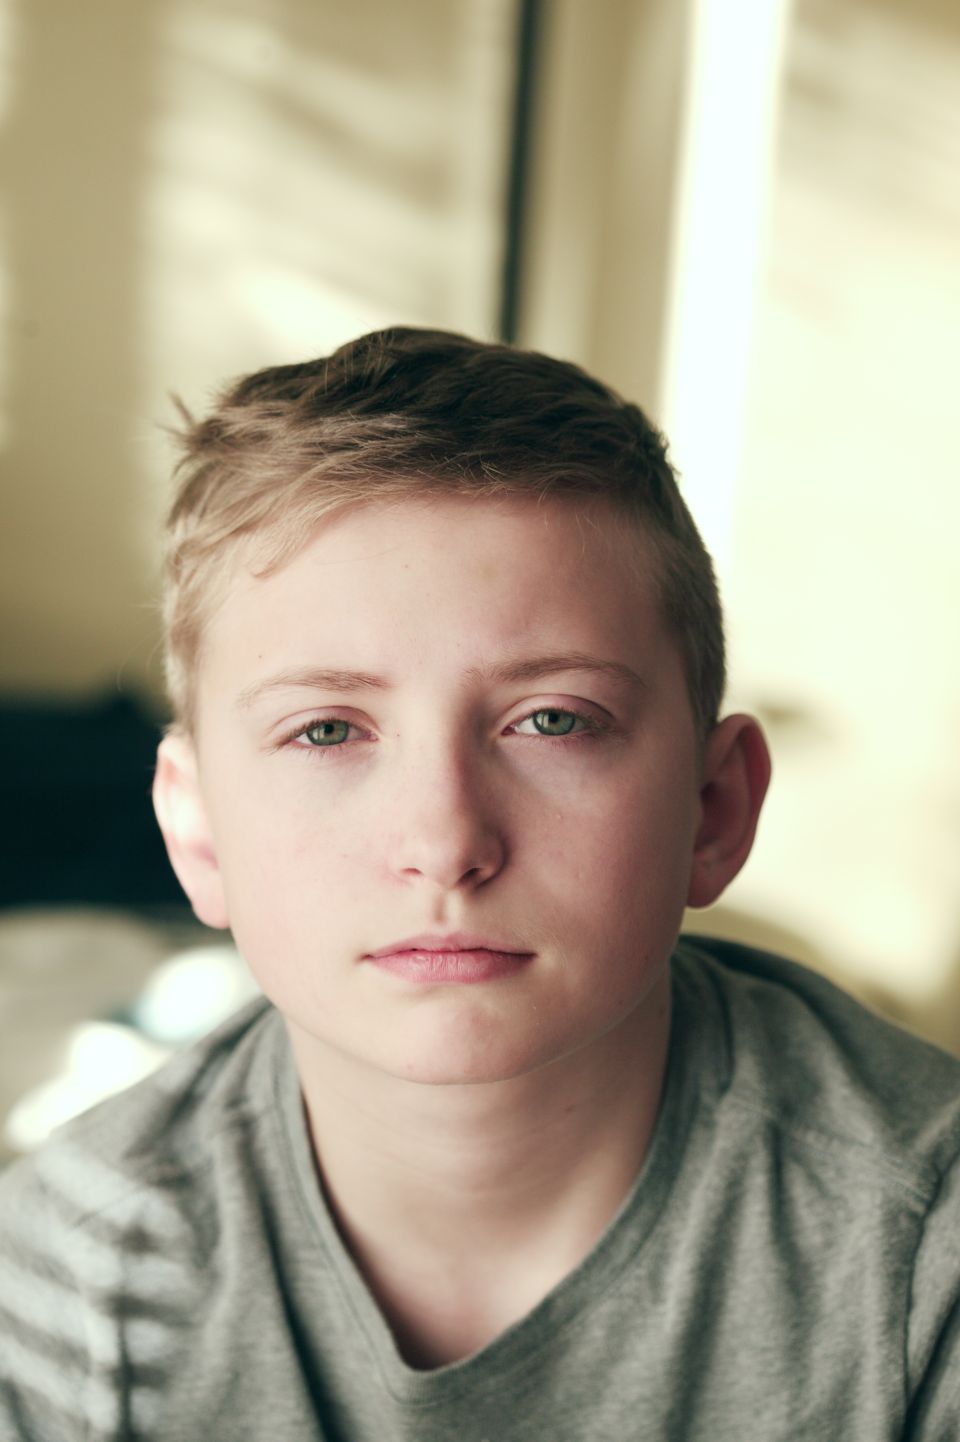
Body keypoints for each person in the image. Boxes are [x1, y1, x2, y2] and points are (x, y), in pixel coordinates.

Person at [1, 328, 958, 1442]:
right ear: (196, 828)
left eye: (552, 720)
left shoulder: (921, 1254)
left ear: (714, 808)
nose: (445, 841)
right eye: (327, 729)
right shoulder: (69, 1277)